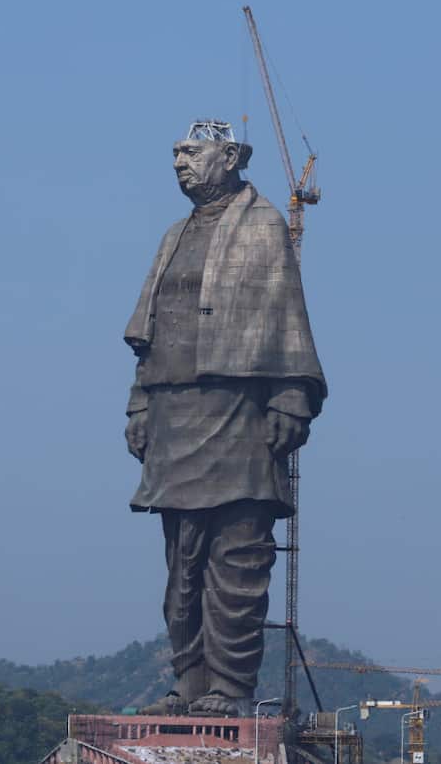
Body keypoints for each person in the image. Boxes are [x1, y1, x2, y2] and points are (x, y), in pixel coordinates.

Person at [123, 121, 326, 717]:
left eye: (193, 151)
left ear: (231, 156)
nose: (181, 162)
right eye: (176, 154)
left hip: (237, 410)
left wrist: (290, 395)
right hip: (172, 408)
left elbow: (287, 313)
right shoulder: (173, 234)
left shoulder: (262, 226)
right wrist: (139, 403)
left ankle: (230, 687)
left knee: (237, 557)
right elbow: (149, 334)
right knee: (181, 563)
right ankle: (188, 680)